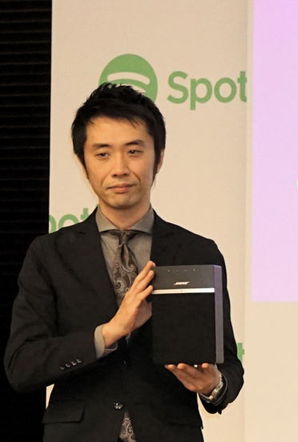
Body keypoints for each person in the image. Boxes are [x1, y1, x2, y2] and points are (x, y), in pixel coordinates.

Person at [4, 83, 244, 442]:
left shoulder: (197, 251)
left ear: (158, 157)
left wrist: (213, 384)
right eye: (102, 154)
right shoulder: (50, 254)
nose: (119, 168)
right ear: (83, 163)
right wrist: (109, 332)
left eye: (134, 151)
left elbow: (228, 364)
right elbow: (22, 365)